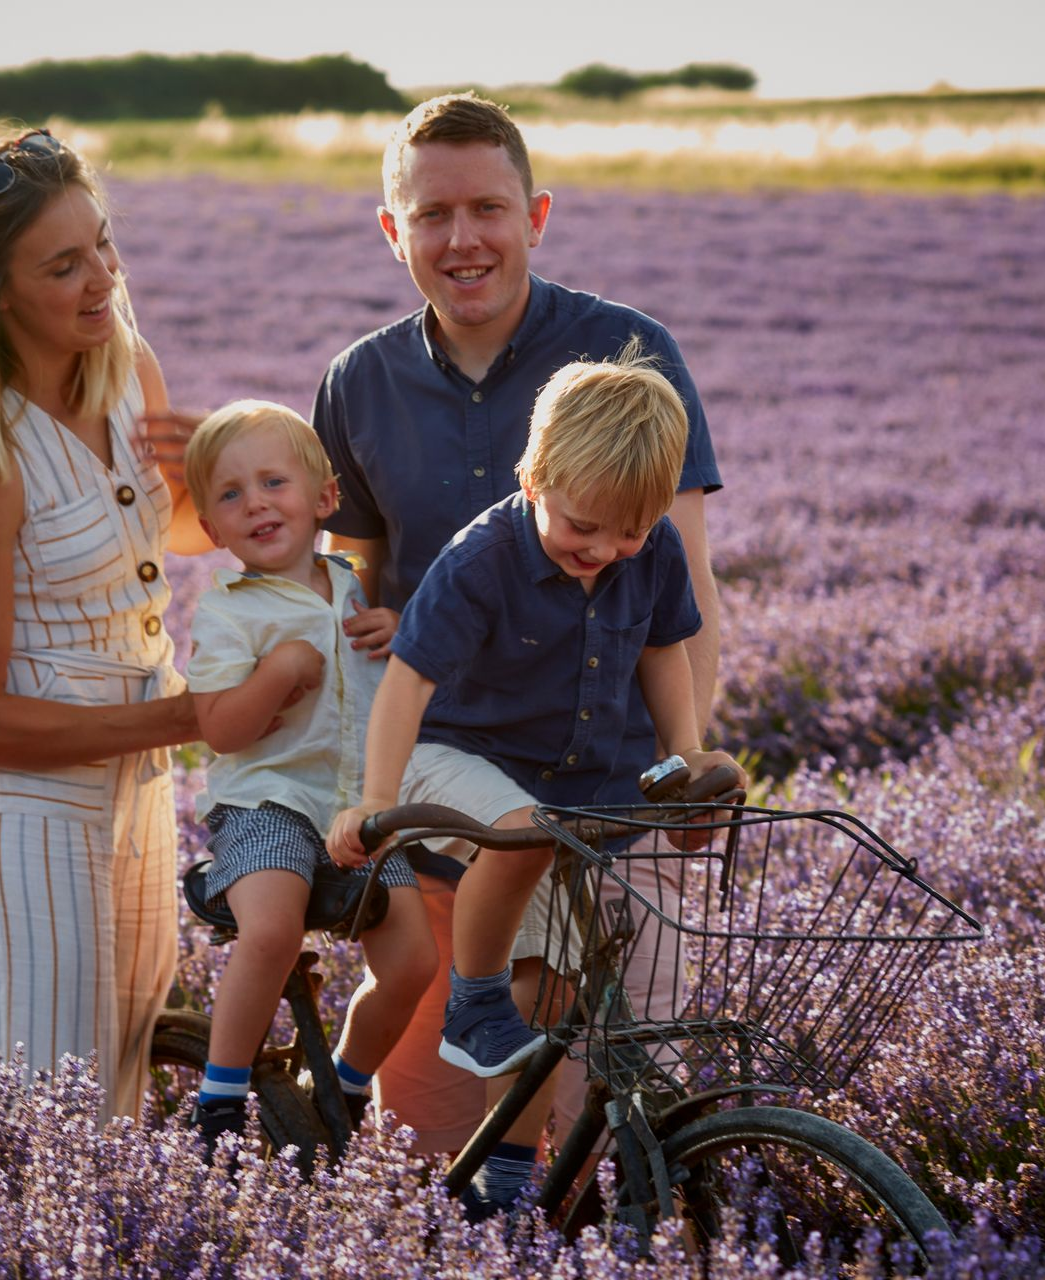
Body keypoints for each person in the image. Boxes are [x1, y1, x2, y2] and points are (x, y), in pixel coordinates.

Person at [311, 94, 725, 1193]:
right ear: (392, 231)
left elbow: (680, 594)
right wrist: (365, 787)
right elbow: (354, 581)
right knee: (447, 1129)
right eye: (432, 214)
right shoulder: (359, 381)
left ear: (534, 214)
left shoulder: (628, 354)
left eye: (488, 207)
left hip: (616, 794)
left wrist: (684, 773)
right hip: (455, 808)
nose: (464, 240)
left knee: (628, 1117)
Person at [328, 351, 745, 1211]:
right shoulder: (482, 556)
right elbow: (406, 680)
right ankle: (472, 998)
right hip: (445, 757)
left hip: (567, 792)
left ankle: (503, 1179)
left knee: (550, 990)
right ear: (534, 476)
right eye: (582, 527)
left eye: (626, 534)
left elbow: (664, 649)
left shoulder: (652, 547)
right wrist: (376, 799)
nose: (604, 551)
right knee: (518, 834)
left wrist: (685, 755)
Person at [0, 126, 213, 1124]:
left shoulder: (126, 369)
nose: (100, 278)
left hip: (135, 787)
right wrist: (193, 717)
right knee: (45, 1120)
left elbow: (174, 528)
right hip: (17, 808)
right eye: (62, 265)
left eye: (103, 246)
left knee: (116, 1090)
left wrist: (218, 469)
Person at [181, 400, 437, 1151]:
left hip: (356, 809)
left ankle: (348, 1082)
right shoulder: (229, 613)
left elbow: (391, 679)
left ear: (325, 497)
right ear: (210, 529)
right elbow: (219, 728)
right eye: (230, 495)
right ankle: (220, 1095)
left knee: (416, 959)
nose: (255, 503)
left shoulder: (353, 584)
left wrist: (401, 631)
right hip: (268, 803)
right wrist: (277, 672)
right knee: (271, 930)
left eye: (273, 482)